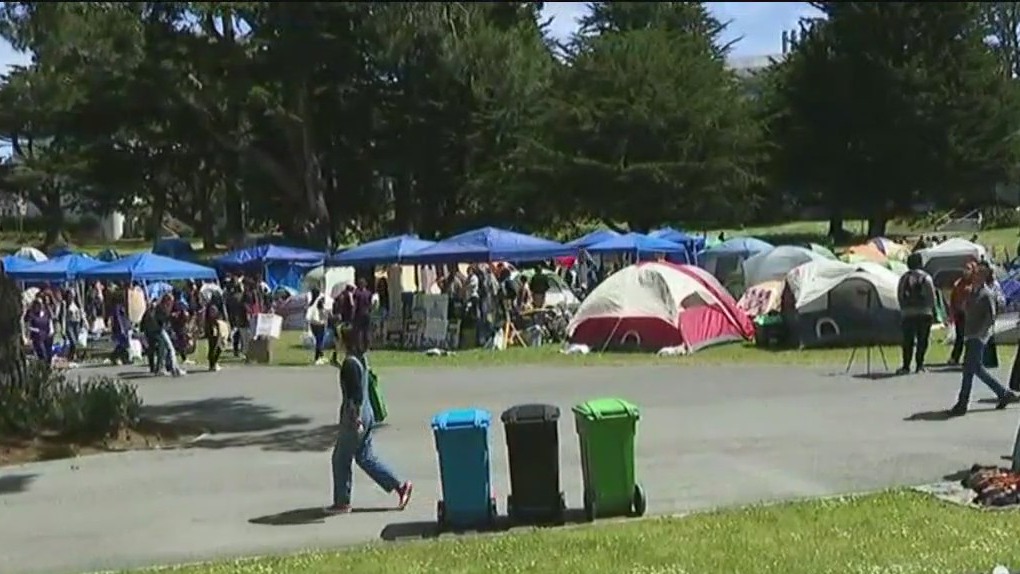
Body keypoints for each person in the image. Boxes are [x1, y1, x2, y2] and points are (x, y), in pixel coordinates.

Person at [327, 327, 413, 514]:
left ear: (343, 340)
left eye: (336, 338)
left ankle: (342, 502)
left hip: (355, 416)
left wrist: (355, 418)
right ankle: (400, 486)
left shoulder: (350, 363)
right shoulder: (359, 358)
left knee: (341, 458)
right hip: (368, 413)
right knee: (365, 457)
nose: (334, 341)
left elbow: (354, 395)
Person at [949, 262, 1020, 416]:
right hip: (970, 334)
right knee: (974, 369)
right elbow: (966, 310)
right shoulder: (972, 293)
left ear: (983, 277)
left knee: (971, 369)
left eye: (979, 275)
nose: (975, 277)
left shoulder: (986, 294)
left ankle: (963, 403)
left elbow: (991, 317)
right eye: (975, 274)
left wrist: (982, 335)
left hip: (978, 336)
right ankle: (1003, 393)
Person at [896, 252, 937, 374]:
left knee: (907, 340)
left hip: (908, 313)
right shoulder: (926, 278)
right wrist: (931, 309)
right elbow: (932, 297)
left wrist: (904, 308)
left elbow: (899, 295)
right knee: (922, 340)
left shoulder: (904, 278)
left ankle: (906, 365)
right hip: (924, 313)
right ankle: (920, 365)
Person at [947, 261, 976, 365]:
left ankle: (969, 358)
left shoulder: (975, 284)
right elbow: (953, 299)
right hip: (960, 314)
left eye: (968, 268)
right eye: (965, 268)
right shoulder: (958, 283)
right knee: (960, 337)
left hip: (972, 315)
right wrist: (951, 314)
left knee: (970, 338)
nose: (965, 271)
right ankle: (954, 357)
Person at [25, 299, 53, 363]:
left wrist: (51, 330)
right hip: (37, 337)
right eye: (37, 304)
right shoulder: (31, 315)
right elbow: (27, 326)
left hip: (47, 335)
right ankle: (43, 367)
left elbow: (50, 321)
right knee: (42, 354)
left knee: (49, 354)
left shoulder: (46, 313)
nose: (39, 306)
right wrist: (34, 330)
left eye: (40, 304)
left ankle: (48, 368)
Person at [306, 291, 328, 365]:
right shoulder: (320, 301)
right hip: (319, 323)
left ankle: (321, 356)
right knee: (320, 341)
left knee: (318, 340)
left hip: (313, 323)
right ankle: (317, 358)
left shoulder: (311, 303)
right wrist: (325, 319)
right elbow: (322, 312)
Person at [352, 278, 374, 352]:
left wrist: (353, 314)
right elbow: (370, 304)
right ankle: (367, 347)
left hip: (359, 314)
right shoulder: (369, 293)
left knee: (357, 331)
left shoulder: (357, 293)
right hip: (367, 313)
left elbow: (355, 304)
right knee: (366, 331)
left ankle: (358, 347)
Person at [204, 298, 224, 372]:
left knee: (213, 347)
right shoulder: (212, 307)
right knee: (216, 347)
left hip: (211, 328)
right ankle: (213, 364)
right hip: (213, 328)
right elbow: (213, 316)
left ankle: (212, 364)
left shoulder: (209, 307)